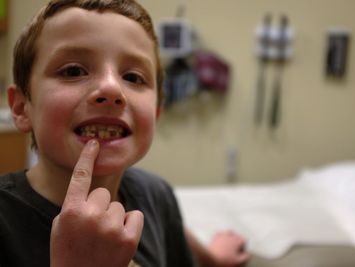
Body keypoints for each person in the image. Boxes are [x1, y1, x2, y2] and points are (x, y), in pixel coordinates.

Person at [0, 0, 249, 266]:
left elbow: (167, 230)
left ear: (155, 112)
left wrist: (211, 258)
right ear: (22, 107)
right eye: (73, 71)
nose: (110, 89)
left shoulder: (155, 193)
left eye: (133, 77)